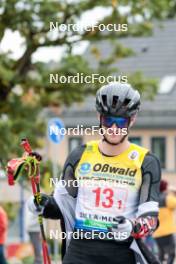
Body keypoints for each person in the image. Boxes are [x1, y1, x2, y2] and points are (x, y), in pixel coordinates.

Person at [29, 82, 161, 264]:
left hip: (121, 253)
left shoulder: (146, 161)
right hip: (80, 252)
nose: (114, 128)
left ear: (133, 119)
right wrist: (41, 203)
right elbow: (61, 206)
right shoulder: (80, 155)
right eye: (108, 121)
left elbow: (151, 219)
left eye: (121, 122)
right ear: (99, 117)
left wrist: (133, 227)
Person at [154, 180, 176, 264]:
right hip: (166, 231)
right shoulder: (167, 198)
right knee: (171, 253)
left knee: (161, 254)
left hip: (156, 232)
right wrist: (172, 193)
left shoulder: (155, 199)